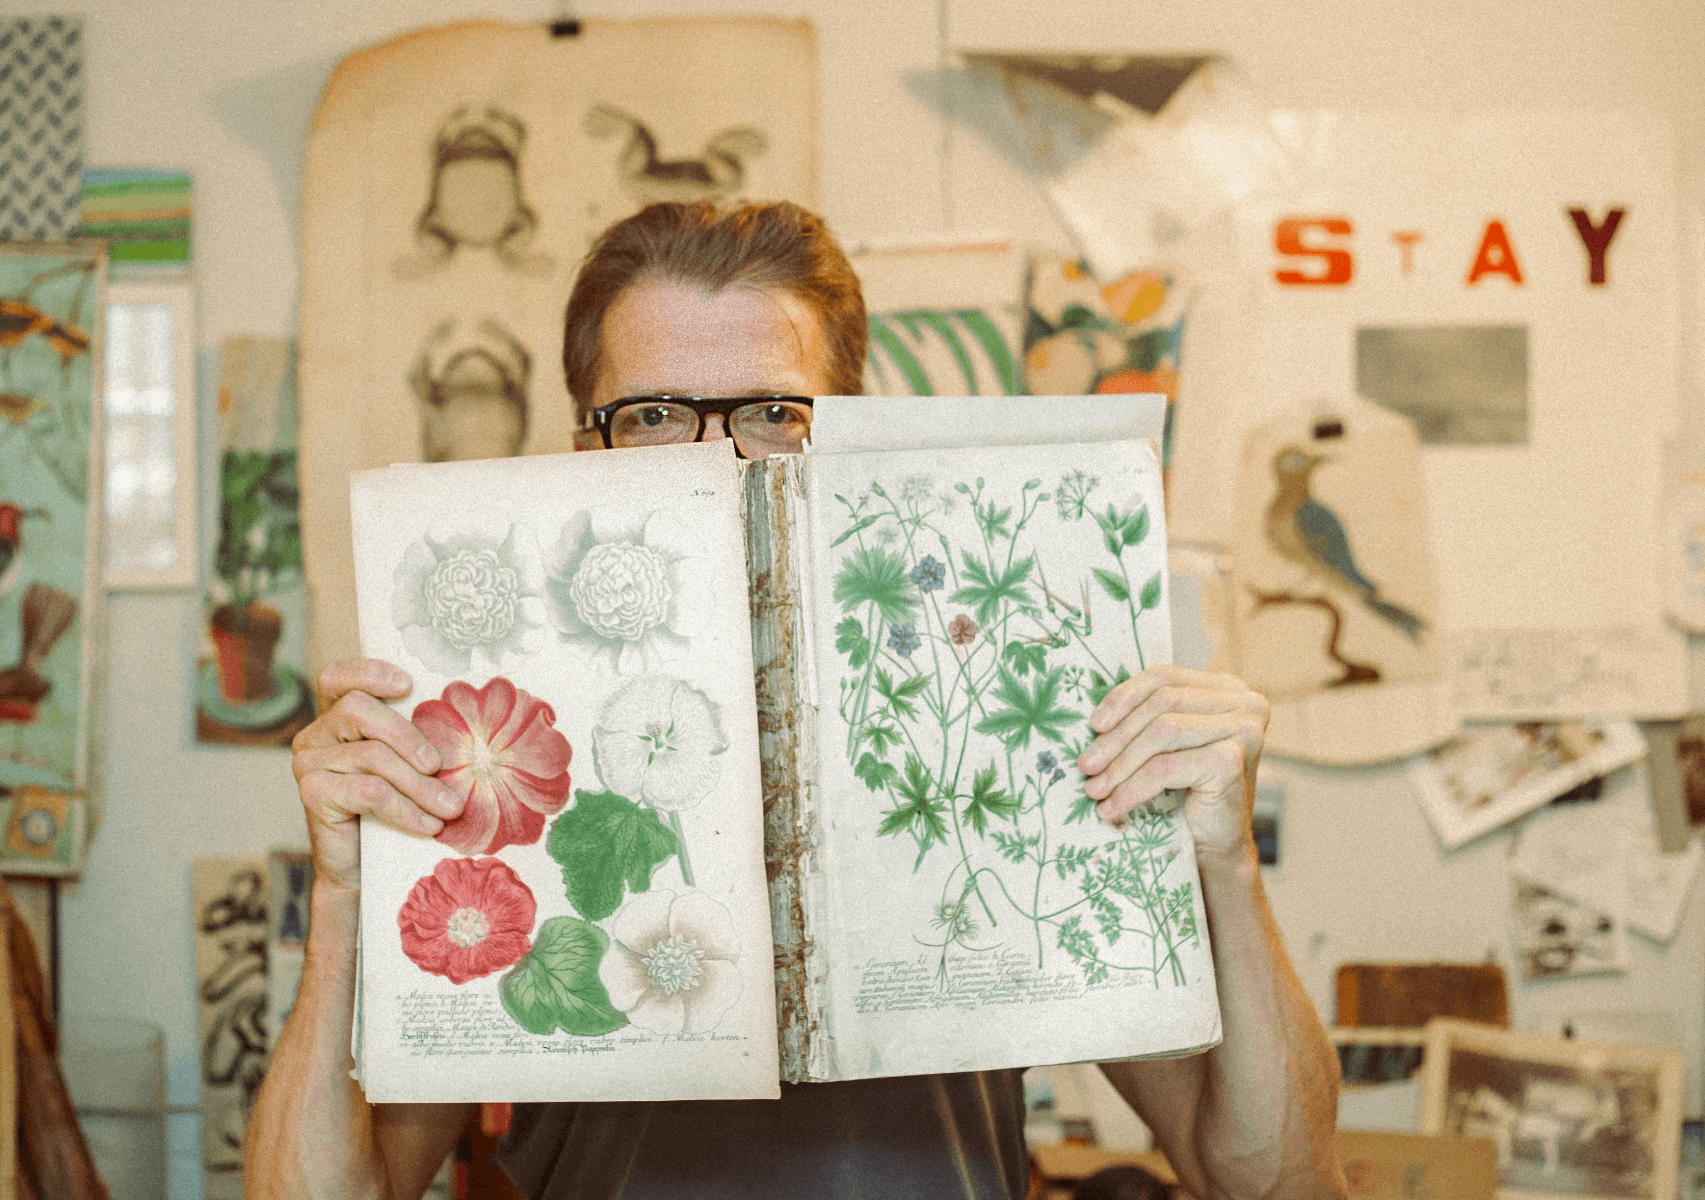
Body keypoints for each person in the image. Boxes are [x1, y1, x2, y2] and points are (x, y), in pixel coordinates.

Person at [248, 200, 1346, 1200]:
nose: (719, 461)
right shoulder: (492, 742)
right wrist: (345, 894)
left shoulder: (1003, 694)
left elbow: (1270, 1180)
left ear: (851, 431)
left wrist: (1225, 867)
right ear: (582, 440)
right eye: (653, 416)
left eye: (774, 412)